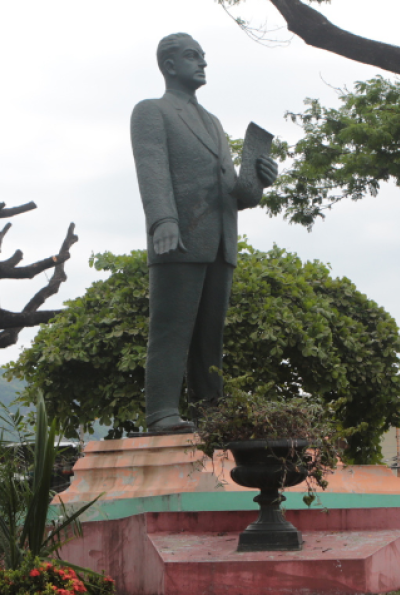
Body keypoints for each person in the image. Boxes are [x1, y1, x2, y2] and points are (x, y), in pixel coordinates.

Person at [130, 32, 278, 433]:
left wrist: (257, 182)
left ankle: (210, 412)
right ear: (169, 65)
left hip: (220, 241)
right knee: (171, 326)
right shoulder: (151, 111)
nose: (203, 64)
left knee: (211, 334)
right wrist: (162, 220)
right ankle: (161, 412)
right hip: (177, 234)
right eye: (193, 56)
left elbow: (235, 191)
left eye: (203, 57)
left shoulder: (213, 123)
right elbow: (152, 169)